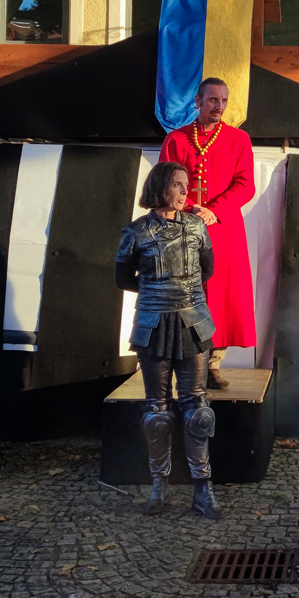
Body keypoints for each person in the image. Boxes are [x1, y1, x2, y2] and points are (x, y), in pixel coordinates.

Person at [115, 162, 222, 519]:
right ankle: (159, 486)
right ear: (160, 187)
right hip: (154, 325)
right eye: (177, 185)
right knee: (156, 412)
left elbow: (208, 270)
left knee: (198, 410)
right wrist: (157, 292)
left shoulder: (196, 227)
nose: (184, 192)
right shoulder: (135, 232)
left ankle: (203, 490)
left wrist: (181, 293)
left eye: (186, 185)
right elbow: (122, 278)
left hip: (193, 322)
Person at [159, 78, 256, 390]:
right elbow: (166, 182)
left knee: (221, 297)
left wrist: (214, 210)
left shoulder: (238, 139)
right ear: (198, 102)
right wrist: (189, 207)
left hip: (224, 230)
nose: (219, 107)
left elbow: (245, 185)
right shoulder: (176, 139)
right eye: (213, 100)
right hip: (184, 230)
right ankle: (187, 365)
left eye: (224, 101)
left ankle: (213, 365)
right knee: (187, 295)